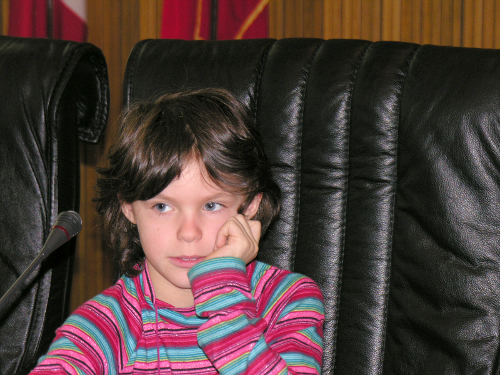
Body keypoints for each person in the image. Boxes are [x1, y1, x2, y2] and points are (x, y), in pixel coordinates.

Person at [30, 88, 325, 374]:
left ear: (248, 208)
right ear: (129, 208)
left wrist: (220, 285)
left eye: (211, 205)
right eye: (162, 207)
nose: (188, 233)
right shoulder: (104, 324)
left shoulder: (288, 300)